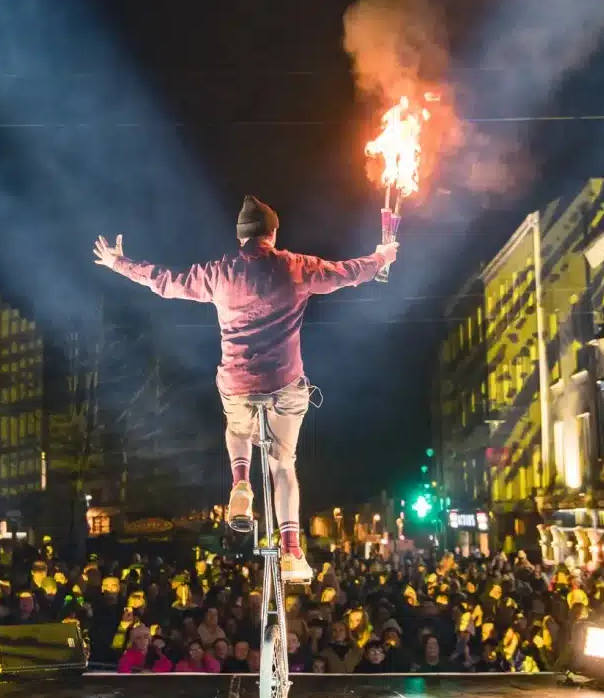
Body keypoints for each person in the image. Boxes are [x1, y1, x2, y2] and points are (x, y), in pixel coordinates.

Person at [93, 195, 399, 582]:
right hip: (285, 385)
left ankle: (240, 483)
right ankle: (291, 551)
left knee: (236, 427)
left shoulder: (220, 272)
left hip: (237, 383)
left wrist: (120, 263)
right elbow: (347, 272)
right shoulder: (295, 267)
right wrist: (381, 257)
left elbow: (165, 282)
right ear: (273, 233)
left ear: (240, 238)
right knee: (283, 465)